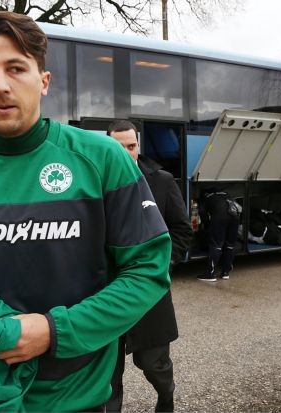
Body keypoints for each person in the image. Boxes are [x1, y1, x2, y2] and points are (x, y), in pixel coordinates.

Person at [0, 11, 172, 411]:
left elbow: (147, 272)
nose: (1, 85)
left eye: (16, 68)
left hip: (78, 394)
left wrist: (53, 331)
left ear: (44, 81)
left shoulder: (102, 159)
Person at [107, 120, 192, 412]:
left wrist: (161, 269)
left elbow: (181, 231)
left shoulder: (162, 181)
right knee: (107, 378)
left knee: (154, 364)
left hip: (149, 295)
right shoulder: (92, 180)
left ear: (138, 145)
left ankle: (166, 398)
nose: (126, 153)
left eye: (131, 146)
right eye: (118, 147)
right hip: (106, 296)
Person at [196, 188, 240, 282]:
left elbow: (202, 213)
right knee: (230, 245)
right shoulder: (226, 194)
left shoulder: (205, 198)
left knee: (216, 244)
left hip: (220, 216)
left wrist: (207, 226)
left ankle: (210, 274)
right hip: (235, 215)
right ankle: (226, 272)